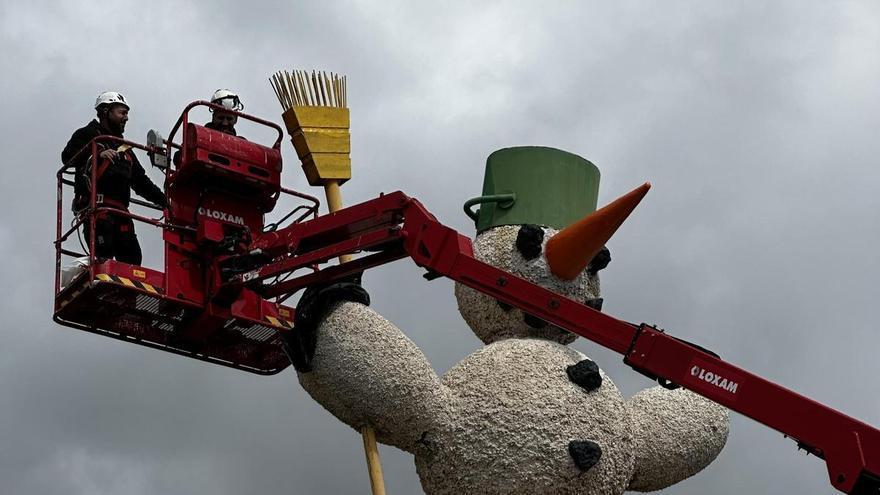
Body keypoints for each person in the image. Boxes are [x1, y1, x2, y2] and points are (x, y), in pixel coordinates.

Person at [61, 91, 167, 266]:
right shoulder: (87, 135)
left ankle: (126, 293)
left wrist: (165, 202)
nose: (126, 118)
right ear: (105, 111)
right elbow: (67, 157)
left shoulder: (124, 149)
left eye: (127, 114)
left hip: (120, 213)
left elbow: (140, 181)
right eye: (122, 113)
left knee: (133, 260)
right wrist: (96, 153)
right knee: (104, 260)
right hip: (98, 212)